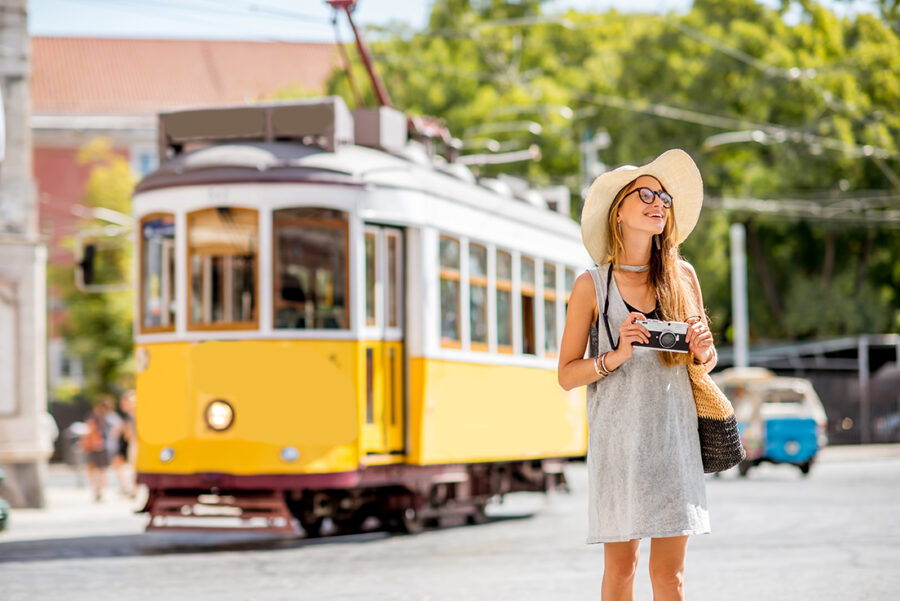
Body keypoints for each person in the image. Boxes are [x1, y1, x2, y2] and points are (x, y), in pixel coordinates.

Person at [558, 149, 717, 601]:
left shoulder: (682, 276)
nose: (659, 202)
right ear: (619, 213)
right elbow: (567, 375)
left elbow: (705, 363)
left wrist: (704, 352)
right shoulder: (591, 285)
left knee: (671, 577)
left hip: (674, 441)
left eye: (664, 197)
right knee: (622, 571)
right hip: (619, 446)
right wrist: (617, 354)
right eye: (645, 193)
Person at [81, 397, 114, 502]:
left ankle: (98, 489)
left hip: (97, 445)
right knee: (99, 469)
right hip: (99, 445)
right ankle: (98, 489)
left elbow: (90, 429)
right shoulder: (105, 418)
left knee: (96, 468)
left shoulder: (100, 418)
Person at [111, 390, 136, 497]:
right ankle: (128, 487)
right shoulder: (127, 416)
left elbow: (129, 434)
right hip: (127, 444)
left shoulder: (134, 414)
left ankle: (132, 489)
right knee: (121, 465)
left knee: (133, 467)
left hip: (133, 444)